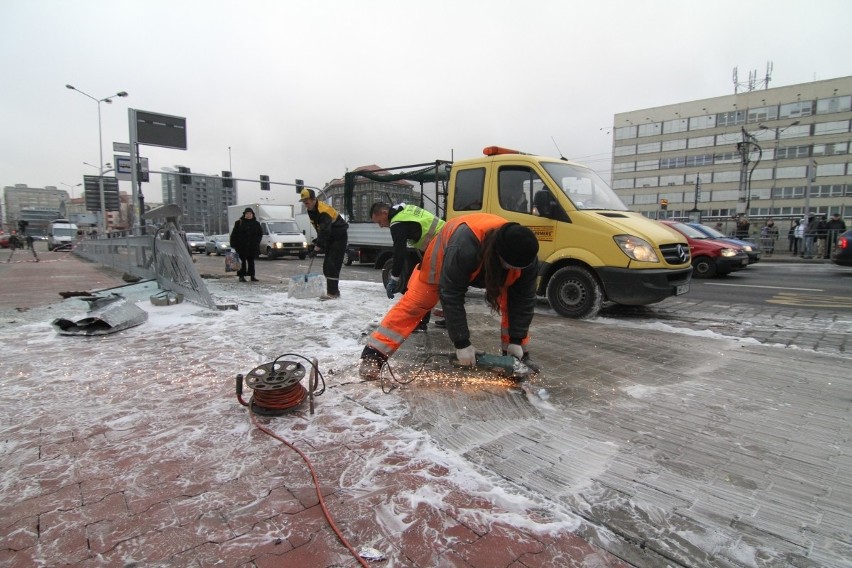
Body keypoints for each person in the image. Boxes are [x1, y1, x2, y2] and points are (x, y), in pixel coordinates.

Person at [359, 213, 540, 380]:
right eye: (508, 265)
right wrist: (461, 342)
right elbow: (451, 294)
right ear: (498, 254)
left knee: (513, 301)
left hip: (483, 255)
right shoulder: (465, 246)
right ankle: (374, 355)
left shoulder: (526, 258)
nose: (512, 270)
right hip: (444, 254)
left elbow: (523, 302)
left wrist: (516, 340)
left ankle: (516, 359)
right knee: (418, 302)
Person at [370, 201, 445, 331]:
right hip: (446, 237)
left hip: (440, 244)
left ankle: (422, 323)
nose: (381, 226)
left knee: (424, 284)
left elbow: (399, 252)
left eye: (379, 222)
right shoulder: (404, 210)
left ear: (384, 213)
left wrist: (394, 278)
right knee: (444, 283)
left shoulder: (397, 223)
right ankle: (446, 319)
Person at [300, 188, 349, 299]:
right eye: (304, 202)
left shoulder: (323, 210)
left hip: (338, 237)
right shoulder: (312, 210)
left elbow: (325, 230)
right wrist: (318, 242)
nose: (305, 205)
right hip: (330, 238)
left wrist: (317, 248)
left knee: (332, 265)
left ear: (313, 200)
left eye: (306, 202)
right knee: (327, 266)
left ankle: (333, 293)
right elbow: (321, 229)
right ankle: (333, 291)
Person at [229, 207, 263, 282]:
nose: (249, 215)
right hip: (241, 246)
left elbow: (260, 234)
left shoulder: (256, 223)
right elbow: (234, 234)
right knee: (242, 262)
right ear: (244, 214)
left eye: (250, 214)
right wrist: (233, 244)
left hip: (252, 246)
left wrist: (257, 241)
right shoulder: (239, 222)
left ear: (253, 215)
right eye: (247, 214)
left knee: (251, 262)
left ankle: (252, 276)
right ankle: (241, 276)